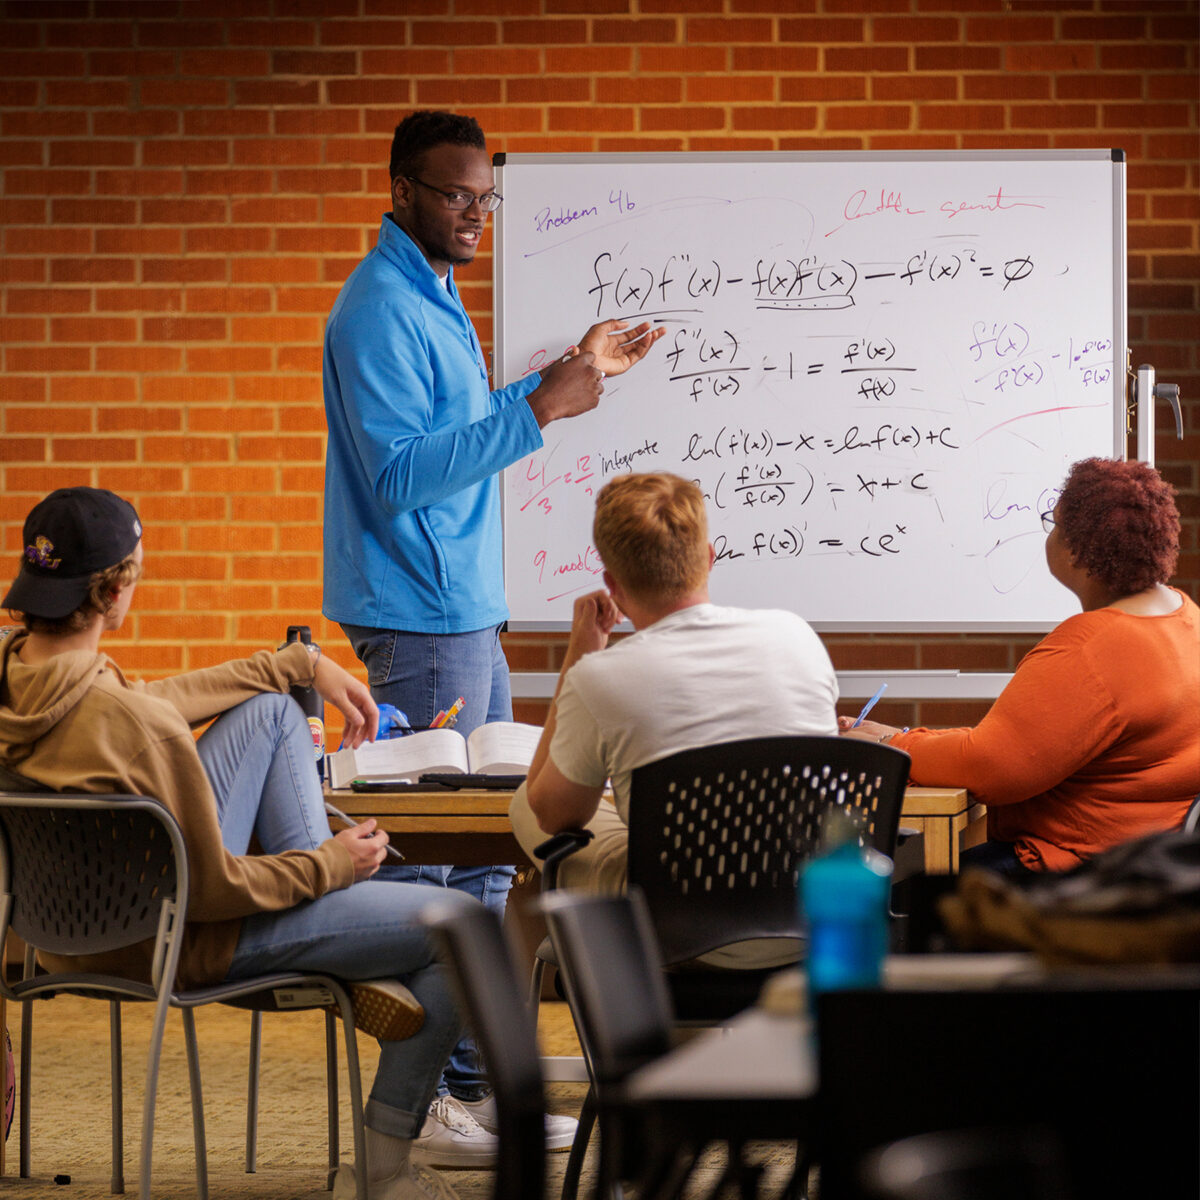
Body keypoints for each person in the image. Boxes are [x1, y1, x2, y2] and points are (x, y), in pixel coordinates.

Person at [321, 110, 663, 1164]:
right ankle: (434, 1102)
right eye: (455, 194)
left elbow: (452, 439)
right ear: (401, 188)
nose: (474, 213)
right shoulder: (381, 305)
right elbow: (399, 476)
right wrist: (544, 411)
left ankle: (457, 1090)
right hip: (420, 613)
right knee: (449, 877)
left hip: (455, 606)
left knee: (479, 864)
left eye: (485, 197)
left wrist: (563, 375)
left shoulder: (430, 289)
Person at [0, 486, 476, 1200]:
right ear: (117, 588)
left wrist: (294, 663)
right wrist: (328, 865)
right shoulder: (140, 732)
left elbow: (139, 704)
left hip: (60, 935)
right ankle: (382, 1170)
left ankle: (347, 940)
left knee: (270, 714)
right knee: (461, 925)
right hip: (184, 940)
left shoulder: (26, 681)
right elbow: (214, 890)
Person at [509, 472, 840, 967]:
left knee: (526, 801)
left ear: (613, 586)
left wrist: (581, 652)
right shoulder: (797, 636)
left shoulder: (601, 678)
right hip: (807, 916)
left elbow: (555, 817)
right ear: (709, 557)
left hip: (674, 926)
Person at [841, 457, 1200, 875]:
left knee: (910, 894)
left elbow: (989, 768)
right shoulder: (1185, 618)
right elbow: (1017, 744)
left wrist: (890, 748)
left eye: (1055, 523)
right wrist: (905, 736)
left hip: (1080, 878)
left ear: (1079, 548)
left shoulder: (1093, 648)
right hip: (1157, 871)